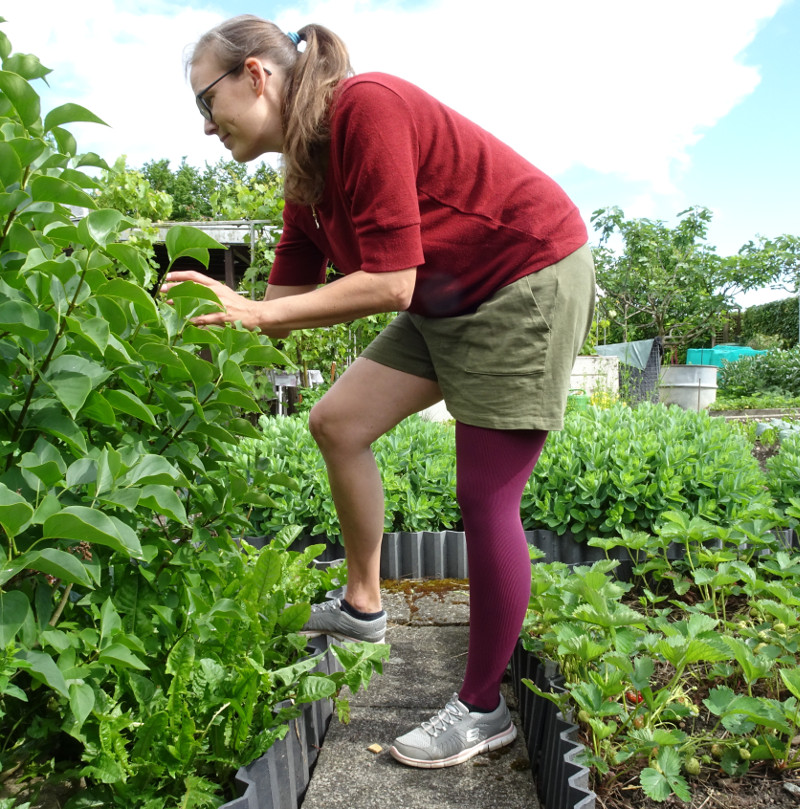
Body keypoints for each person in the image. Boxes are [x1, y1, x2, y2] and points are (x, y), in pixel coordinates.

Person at [162, 14, 595, 769]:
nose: (206, 128)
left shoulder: (367, 106)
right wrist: (199, 323)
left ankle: (484, 707)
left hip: (522, 276)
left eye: (206, 102)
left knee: (485, 495)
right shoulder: (307, 173)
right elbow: (280, 312)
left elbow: (391, 280)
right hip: (444, 296)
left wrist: (259, 310)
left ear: (257, 76)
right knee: (337, 423)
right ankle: (365, 605)